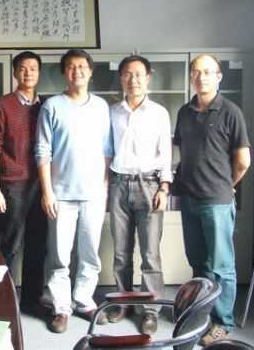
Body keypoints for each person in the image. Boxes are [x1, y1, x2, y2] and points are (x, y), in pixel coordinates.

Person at [173, 54, 251, 346]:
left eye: (208, 72)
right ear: (191, 77)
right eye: (196, 72)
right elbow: (183, 152)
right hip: (189, 199)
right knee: (198, 263)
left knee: (221, 266)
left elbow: (243, 161)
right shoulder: (184, 112)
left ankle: (222, 322)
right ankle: (201, 314)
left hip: (216, 201)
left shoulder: (231, 111)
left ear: (219, 76)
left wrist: (226, 185)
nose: (201, 77)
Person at [35, 49, 111, 333]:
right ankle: (61, 308)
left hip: (93, 194)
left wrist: (104, 188)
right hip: (61, 195)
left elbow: (107, 150)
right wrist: (47, 192)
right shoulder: (52, 106)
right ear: (64, 73)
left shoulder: (101, 107)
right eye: (70, 66)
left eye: (82, 66)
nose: (76, 71)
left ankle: (84, 301)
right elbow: (42, 150)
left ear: (90, 71)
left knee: (90, 255)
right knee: (59, 256)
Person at [107, 55, 172, 334]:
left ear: (148, 77)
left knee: (150, 254)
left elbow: (165, 154)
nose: (133, 80)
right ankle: (123, 302)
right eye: (127, 74)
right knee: (121, 252)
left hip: (150, 185)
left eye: (138, 74)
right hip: (118, 184)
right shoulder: (111, 112)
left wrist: (164, 187)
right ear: (121, 78)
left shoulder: (159, 113)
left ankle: (149, 310)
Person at [0, 50, 47, 312]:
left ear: (39, 73)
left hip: (41, 185)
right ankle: (5, 301)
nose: (27, 73)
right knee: (11, 244)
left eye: (33, 68)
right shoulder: (3, 104)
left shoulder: (46, 106)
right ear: (15, 73)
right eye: (22, 68)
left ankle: (32, 301)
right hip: (12, 184)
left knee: (38, 244)